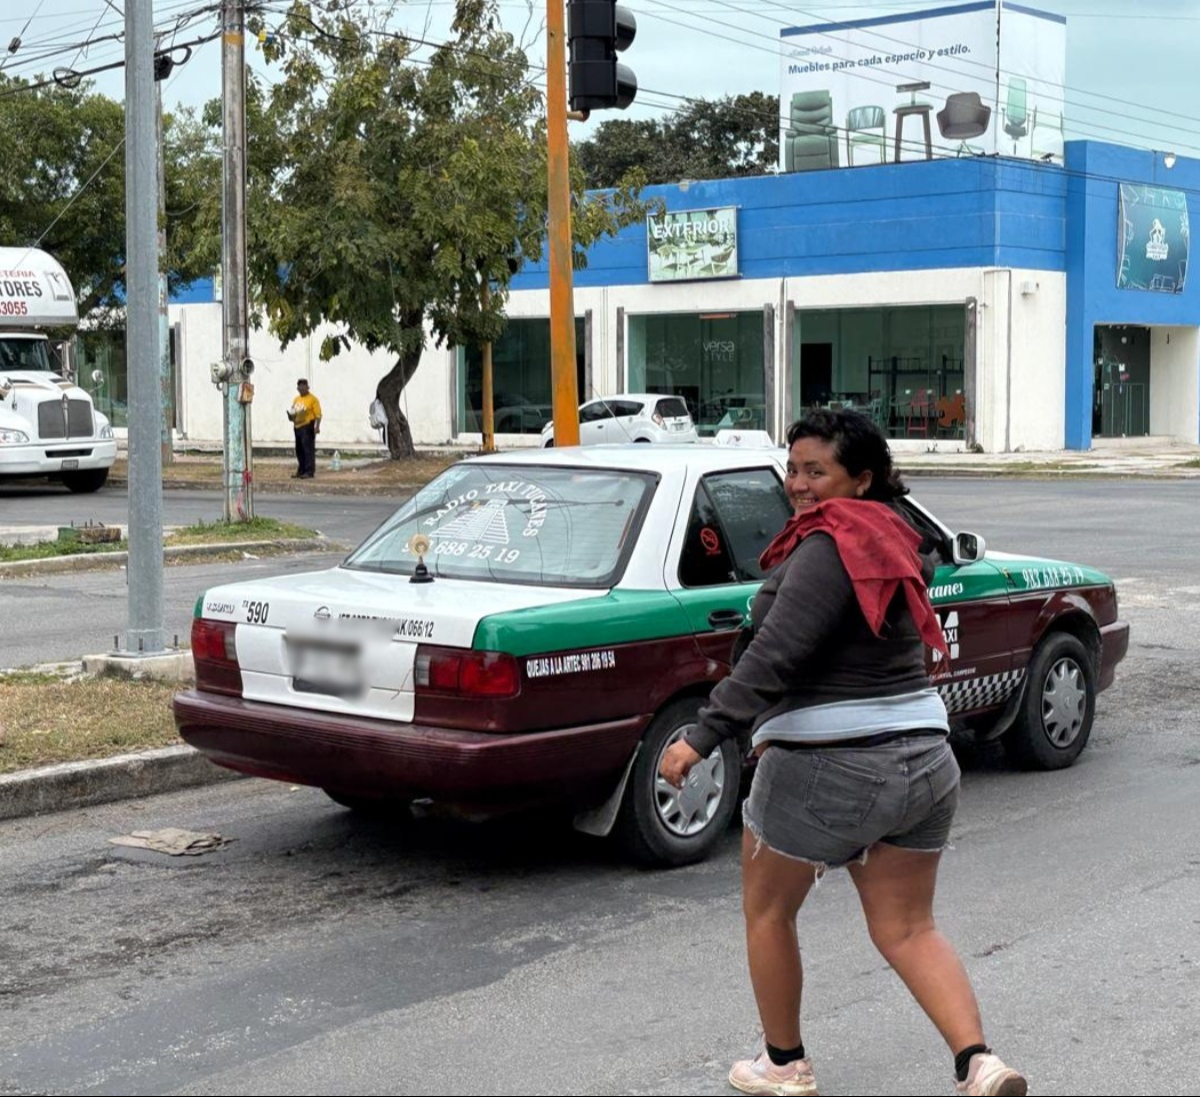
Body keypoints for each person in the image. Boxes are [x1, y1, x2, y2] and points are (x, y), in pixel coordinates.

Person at [660, 408, 1026, 1097]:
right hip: (924, 761)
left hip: (826, 763)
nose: (797, 483)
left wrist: (702, 737)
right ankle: (978, 1061)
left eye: (815, 471)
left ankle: (784, 1062)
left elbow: (774, 656)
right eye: (792, 468)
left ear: (861, 478)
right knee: (910, 927)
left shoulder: (831, 546)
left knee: (769, 911)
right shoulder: (895, 534)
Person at [287, 378, 321, 479]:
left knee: (308, 449)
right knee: (299, 449)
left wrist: (317, 427)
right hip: (297, 426)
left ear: (307, 387)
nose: (301, 388)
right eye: (299, 386)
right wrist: (291, 417)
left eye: (303, 386)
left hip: (307, 426)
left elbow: (318, 415)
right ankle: (301, 470)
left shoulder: (313, 399)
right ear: (297, 388)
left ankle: (309, 471)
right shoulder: (296, 399)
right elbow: (293, 411)